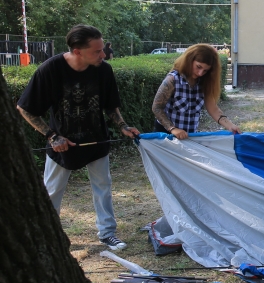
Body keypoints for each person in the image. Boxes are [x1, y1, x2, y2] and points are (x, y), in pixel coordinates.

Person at [16, 25, 140, 250]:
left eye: (102, 50)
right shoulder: (50, 70)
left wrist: (122, 126)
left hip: (97, 140)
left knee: (103, 186)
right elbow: (25, 108)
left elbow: (111, 106)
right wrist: (52, 136)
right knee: (52, 191)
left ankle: (107, 233)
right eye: (97, 51)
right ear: (77, 51)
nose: (103, 55)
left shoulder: (104, 70)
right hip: (62, 145)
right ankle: (48, 237)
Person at [152, 44, 241, 138]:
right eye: (198, 67)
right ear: (189, 60)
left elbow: (213, 109)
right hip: (166, 137)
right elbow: (156, 107)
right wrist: (173, 129)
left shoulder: (204, 82)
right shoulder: (172, 79)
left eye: (205, 70)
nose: (200, 73)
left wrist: (230, 125)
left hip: (189, 137)